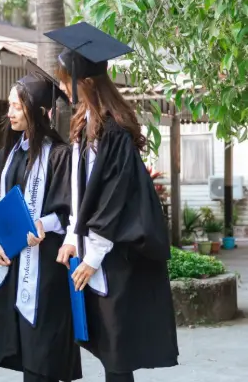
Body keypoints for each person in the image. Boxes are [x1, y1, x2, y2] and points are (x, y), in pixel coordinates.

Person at [46, 22, 179, 382]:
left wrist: (91, 257)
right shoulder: (84, 126)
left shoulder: (113, 132)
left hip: (114, 255)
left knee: (118, 355)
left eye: (66, 81)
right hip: (92, 250)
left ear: (85, 82)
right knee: (107, 349)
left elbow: (114, 199)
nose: (63, 88)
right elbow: (79, 192)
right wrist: (71, 236)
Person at [0, 64, 82, 382]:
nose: (9, 113)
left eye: (17, 106)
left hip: (46, 269)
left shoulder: (60, 155)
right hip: (14, 264)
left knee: (43, 358)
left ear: (39, 111)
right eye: (9, 105)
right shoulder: (8, 156)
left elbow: (70, 212)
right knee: (26, 354)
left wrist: (42, 224)